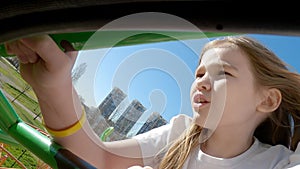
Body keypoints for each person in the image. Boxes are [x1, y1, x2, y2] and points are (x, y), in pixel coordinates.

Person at [5, 35, 300, 169]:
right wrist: (53, 86)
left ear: (268, 99)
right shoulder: (178, 136)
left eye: (224, 72)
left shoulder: (278, 163)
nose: (202, 82)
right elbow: (100, 158)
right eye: (199, 72)